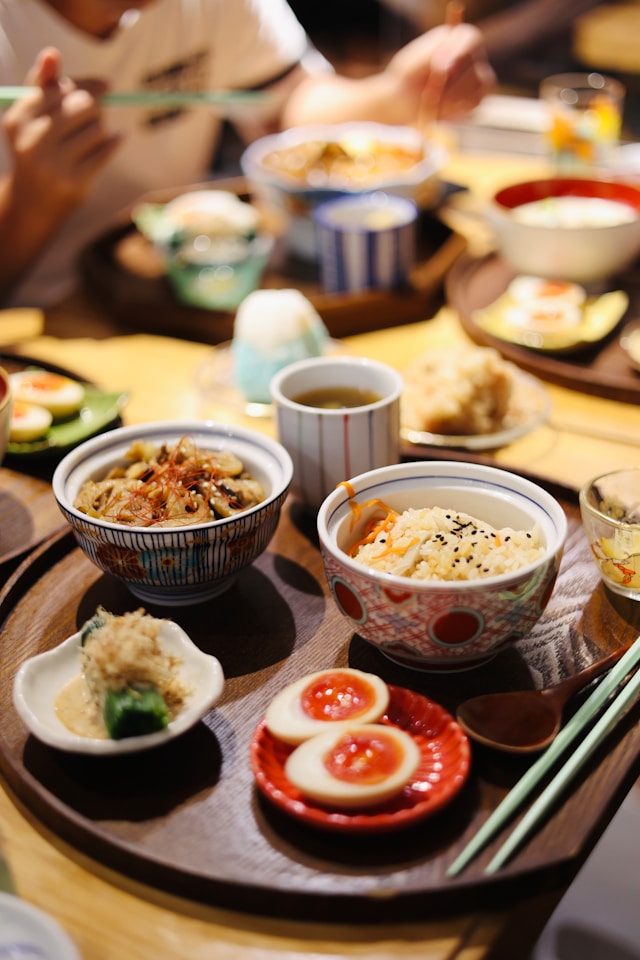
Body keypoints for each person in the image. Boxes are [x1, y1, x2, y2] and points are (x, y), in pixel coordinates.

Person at [0, 0, 494, 308]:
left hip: (177, 297)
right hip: (33, 328)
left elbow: (290, 105)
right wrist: (29, 202)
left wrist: (397, 94)